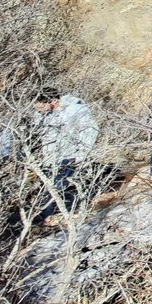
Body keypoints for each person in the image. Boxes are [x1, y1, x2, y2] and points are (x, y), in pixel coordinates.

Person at [34, 87, 99, 222]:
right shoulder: (45, 114)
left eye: (42, 106)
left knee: (57, 185)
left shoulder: (74, 111)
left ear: (53, 101)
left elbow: (90, 130)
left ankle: (53, 215)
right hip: (50, 156)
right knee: (50, 185)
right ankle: (49, 214)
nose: (39, 109)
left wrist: (82, 153)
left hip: (68, 155)